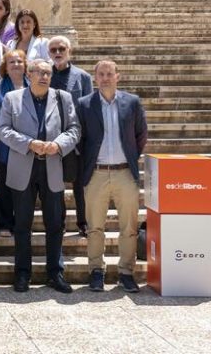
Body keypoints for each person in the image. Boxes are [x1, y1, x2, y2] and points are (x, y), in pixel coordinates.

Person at [0, 59, 80, 294]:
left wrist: (58, 145)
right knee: (22, 224)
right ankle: (22, 273)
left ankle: (56, 272)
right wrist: (29, 143)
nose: (44, 76)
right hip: (23, 167)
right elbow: (3, 129)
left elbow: (74, 129)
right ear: (29, 74)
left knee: (55, 224)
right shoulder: (13, 98)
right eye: (39, 72)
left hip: (52, 167)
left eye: (47, 73)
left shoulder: (62, 98)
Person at [77, 60, 147, 293]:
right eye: (101, 74)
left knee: (129, 227)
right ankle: (96, 271)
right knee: (94, 227)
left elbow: (140, 135)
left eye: (109, 73)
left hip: (124, 173)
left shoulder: (132, 103)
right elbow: (81, 138)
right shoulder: (85, 104)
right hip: (96, 173)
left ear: (118, 76)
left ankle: (126, 272)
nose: (105, 77)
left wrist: (130, 157)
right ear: (95, 77)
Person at [49, 36, 93, 237]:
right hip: (54, 139)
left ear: (69, 51)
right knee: (56, 183)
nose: (58, 53)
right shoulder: (45, 74)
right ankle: (59, 221)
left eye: (61, 49)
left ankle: (83, 221)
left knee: (80, 184)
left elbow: (89, 107)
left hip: (77, 138)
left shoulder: (82, 76)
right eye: (53, 50)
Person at [0, 49, 28, 237]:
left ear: (25, 65)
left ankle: (22, 223)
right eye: (12, 62)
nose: (16, 65)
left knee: (24, 187)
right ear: (5, 67)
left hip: (26, 143)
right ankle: (4, 223)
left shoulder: (32, 85)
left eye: (19, 61)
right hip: (1, 143)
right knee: (3, 186)